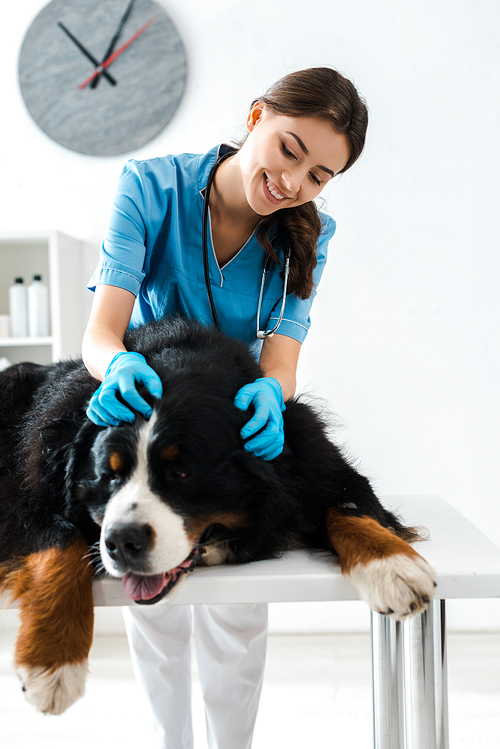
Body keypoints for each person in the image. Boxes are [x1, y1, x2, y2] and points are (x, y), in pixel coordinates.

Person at [82, 67, 368, 749]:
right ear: (255, 117)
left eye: (320, 175)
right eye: (290, 148)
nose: (294, 183)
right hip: (146, 410)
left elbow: (282, 361)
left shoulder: (309, 233)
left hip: (223, 431)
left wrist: (273, 393)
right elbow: (101, 331)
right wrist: (115, 363)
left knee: (239, 604)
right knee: (151, 598)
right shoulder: (151, 187)